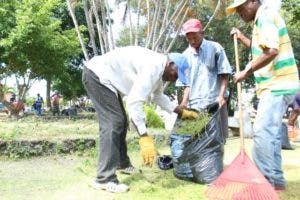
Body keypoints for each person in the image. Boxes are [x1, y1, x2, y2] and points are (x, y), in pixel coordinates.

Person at [82, 46, 198, 193]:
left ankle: (122, 163)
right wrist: (144, 137)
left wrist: (180, 112)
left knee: (120, 121)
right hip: (97, 76)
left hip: (105, 80)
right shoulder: (153, 67)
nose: (175, 80)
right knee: (113, 122)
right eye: (176, 75)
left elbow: (157, 96)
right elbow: (134, 102)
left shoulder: (159, 70)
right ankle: (104, 179)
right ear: (170, 64)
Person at [227, 0, 299, 191]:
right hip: (282, 84)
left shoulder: (265, 16)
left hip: (277, 84)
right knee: (272, 134)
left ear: (252, 1)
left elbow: (271, 51)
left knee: (262, 132)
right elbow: (262, 48)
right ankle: (276, 180)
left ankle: (263, 182)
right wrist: (242, 38)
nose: (239, 13)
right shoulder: (263, 18)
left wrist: (246, 71)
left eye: (241, 8)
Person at [179, 18, 232, 140]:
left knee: (218, 140)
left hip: (216, 102)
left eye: (195, 37)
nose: (192, 41)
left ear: (202, 33)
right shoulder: (184, 56)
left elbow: (224, 74)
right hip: (195, 106)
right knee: (198, 141)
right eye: (189, 38)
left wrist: (221, 96)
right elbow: (187, 84)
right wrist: (183, 103)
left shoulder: (215, 48)